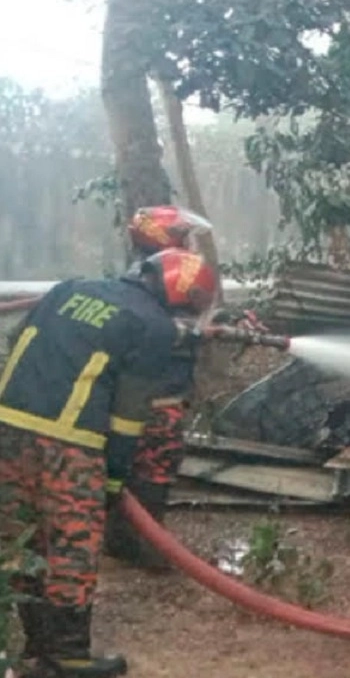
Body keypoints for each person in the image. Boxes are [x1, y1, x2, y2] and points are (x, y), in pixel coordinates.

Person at [0, 248, 217, 677]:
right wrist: (116, 477)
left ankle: (33, 650)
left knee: (21, 538)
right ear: (182, 296)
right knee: (72, 544)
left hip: (7, 423)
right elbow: (128, 413)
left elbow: (19, 340)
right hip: (68, 440)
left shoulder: (71, 288)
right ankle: (69, 656)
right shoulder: (152, 326)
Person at [103, 206, 213, 570]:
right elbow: (171, 331)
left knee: (130, 473)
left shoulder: (141, 277)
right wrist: (203, 330)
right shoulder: (167, 279)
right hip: (156, 399)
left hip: (135, 395)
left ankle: (120, 539)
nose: (188, 244)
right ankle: (148, 549)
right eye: (182, 236)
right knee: (155, 471)